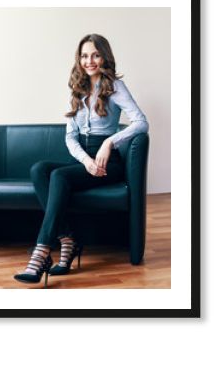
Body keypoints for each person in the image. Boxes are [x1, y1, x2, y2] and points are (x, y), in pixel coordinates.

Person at [14, 33, 149, 287]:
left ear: (104, 57)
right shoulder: (76, 87)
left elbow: (142, 122)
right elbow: (70, 137)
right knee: (39, 170)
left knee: (59, 175)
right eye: (85, 56)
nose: (90, 61)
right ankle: (68, 240)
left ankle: (41, 251)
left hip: (109, 163)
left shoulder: (114, 86)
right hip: (85, 160)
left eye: (95, 55)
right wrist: (86, 161)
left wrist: (110, 142)